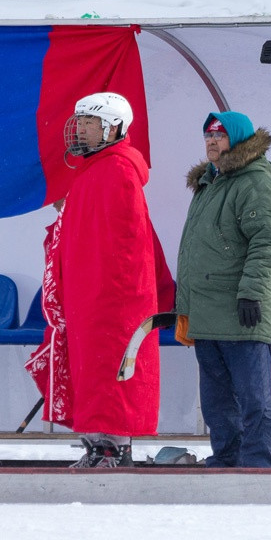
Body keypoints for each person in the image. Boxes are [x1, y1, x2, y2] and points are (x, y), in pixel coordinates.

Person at [25, 92, 174, 468]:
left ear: (113, 129)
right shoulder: (93, 171)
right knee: (90, 371)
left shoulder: (118, 171)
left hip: (112, 298)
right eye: (81, 122)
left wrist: (110, 293)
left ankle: (113, 447)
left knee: (110, 372)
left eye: (90, 123)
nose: (81, 130)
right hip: (89, 294)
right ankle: (95, 444)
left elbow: (127, 246)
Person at [175, 111, 271, 467]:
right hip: (206, 313)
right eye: (208, 135)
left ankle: (257, 464)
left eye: (220, 135)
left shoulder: (253, 182)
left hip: (241, 309)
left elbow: (268, 240)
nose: (211, 141)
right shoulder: (209, 184)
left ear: (237, 140)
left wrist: (251, 291)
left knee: (254, 398)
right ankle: (226, 459)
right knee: (216, 401)